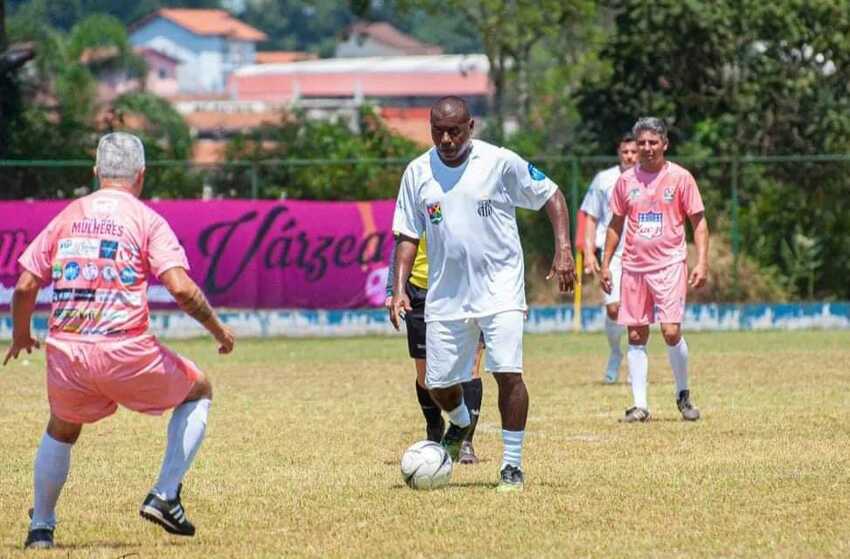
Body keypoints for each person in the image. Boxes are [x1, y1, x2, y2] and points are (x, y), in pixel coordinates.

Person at [6, 132, 235, 550]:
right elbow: (181, 289)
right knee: (198, 389)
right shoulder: (147, 219)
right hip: (124, 350)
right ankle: (165, 495)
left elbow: (24, 284)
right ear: (141, 176)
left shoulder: (68, 214)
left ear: (95, 172)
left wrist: (21, 334)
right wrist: (219, 331)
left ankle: (41, 527)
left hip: (67, 349)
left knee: (61, 427)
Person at [389, 96, 576, 491]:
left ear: (470, 127)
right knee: (437, 382)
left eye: (454, 130)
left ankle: (511, 465)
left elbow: (553, 196)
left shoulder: (499, 162)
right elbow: (407, 235)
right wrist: (398, 288)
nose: (446, 139)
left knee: (508, 373)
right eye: (438, 130)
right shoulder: (418, 171)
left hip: (500, 289)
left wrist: (563, 249)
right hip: (446, 294)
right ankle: (459, 422)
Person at [600, 117, 709, 423]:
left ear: (665, 144)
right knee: (635, 333)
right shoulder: (625, 182)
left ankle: (683, 394)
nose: (647, 148)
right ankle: (640, 405)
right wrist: (607, 263)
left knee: (671, 330)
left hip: (670, 264)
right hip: (634, 267)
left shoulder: (681, 178)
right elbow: (615, 224)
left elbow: (698, 222)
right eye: (642, 143)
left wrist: (701, 261)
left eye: (653, 142)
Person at [384, 235, 485, 464]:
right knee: (426, 376)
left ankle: (465, 441)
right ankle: (434, 426)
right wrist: (393, 288)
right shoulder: (416, 198)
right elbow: (402, 240)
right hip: (421, 290)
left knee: (471, 367)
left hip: (467, 289)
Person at [580, 134, 638, 383]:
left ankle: (636, 365)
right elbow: (591, 216)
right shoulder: (604, 179)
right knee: (614, 308)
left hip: (640, 252)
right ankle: (616, 352)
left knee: (635, 312)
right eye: (625, 151)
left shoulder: (647, 179)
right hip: (611, 253)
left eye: (633, 152)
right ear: (619, 152)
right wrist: (589, 251)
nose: (630, 156)